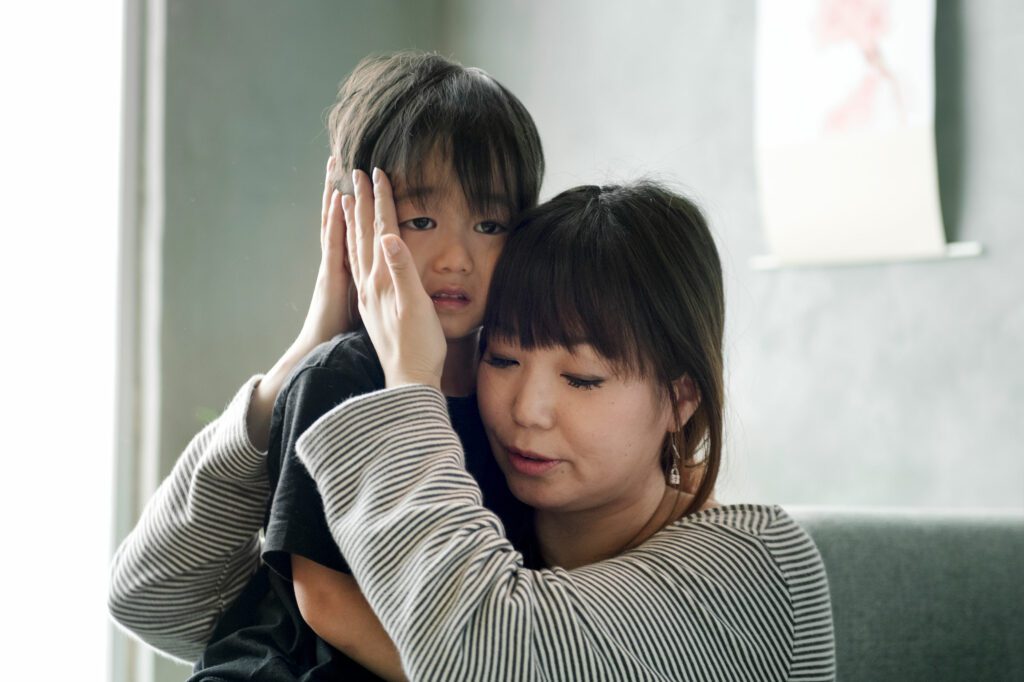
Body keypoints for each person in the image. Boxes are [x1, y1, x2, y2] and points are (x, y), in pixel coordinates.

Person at [285, 171, 837, 680]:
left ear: (680, 398)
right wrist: (304, 354)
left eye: (582, 379)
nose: (528, 410)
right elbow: (198, 606)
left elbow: (487, 649)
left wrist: (411, 379)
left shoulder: (760, 563)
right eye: (501, 359)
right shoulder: (487, 522)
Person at [109, 51, 543, 681]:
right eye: (421, 220)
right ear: (354, 221)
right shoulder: (338, 377)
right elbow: (322, 599)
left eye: (490, 223)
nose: (457, 257)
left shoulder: (512, 391)